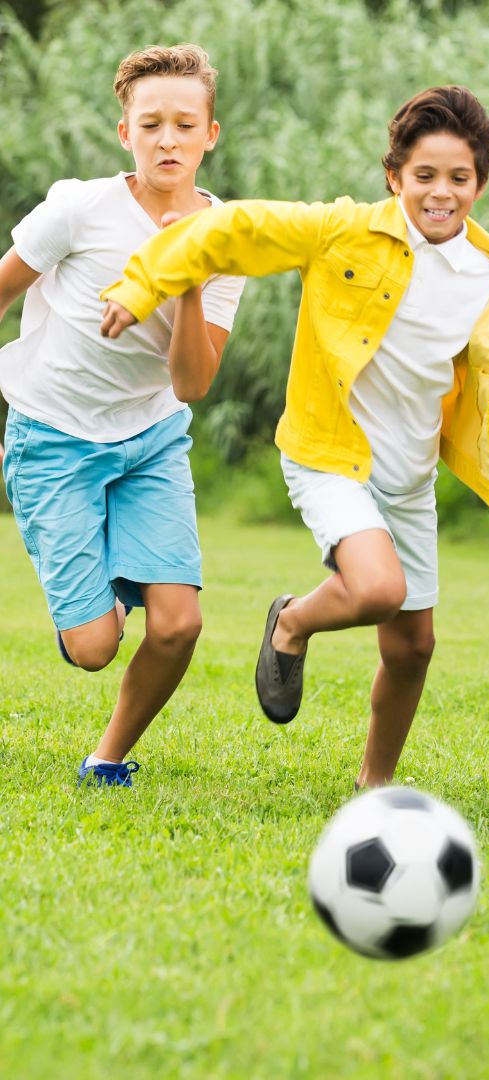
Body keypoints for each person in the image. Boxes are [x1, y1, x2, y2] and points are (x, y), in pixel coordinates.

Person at [100, 85, 489, 790]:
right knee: (379, 587)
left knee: (414, 647)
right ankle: (291, 623)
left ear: (480, 181)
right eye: (424, 176)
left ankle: (373, 788)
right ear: (394, 177)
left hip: (409, 480)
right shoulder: (342, 230)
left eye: (459, 178)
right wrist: (142, 286)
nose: (440, 194)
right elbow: (230, 230)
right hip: (329, 454)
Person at [0, 44, 244, 787]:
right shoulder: (79, 208)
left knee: (179, 625)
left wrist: (187, 283)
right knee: (93, 647)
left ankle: (107, 759)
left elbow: (195, 381)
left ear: (211, 134)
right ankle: (89, 580)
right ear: (125, 133)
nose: (167, 139)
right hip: (52, 437)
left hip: (150, 438)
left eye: (183, 124)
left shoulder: (225, 238)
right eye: (151, 124)